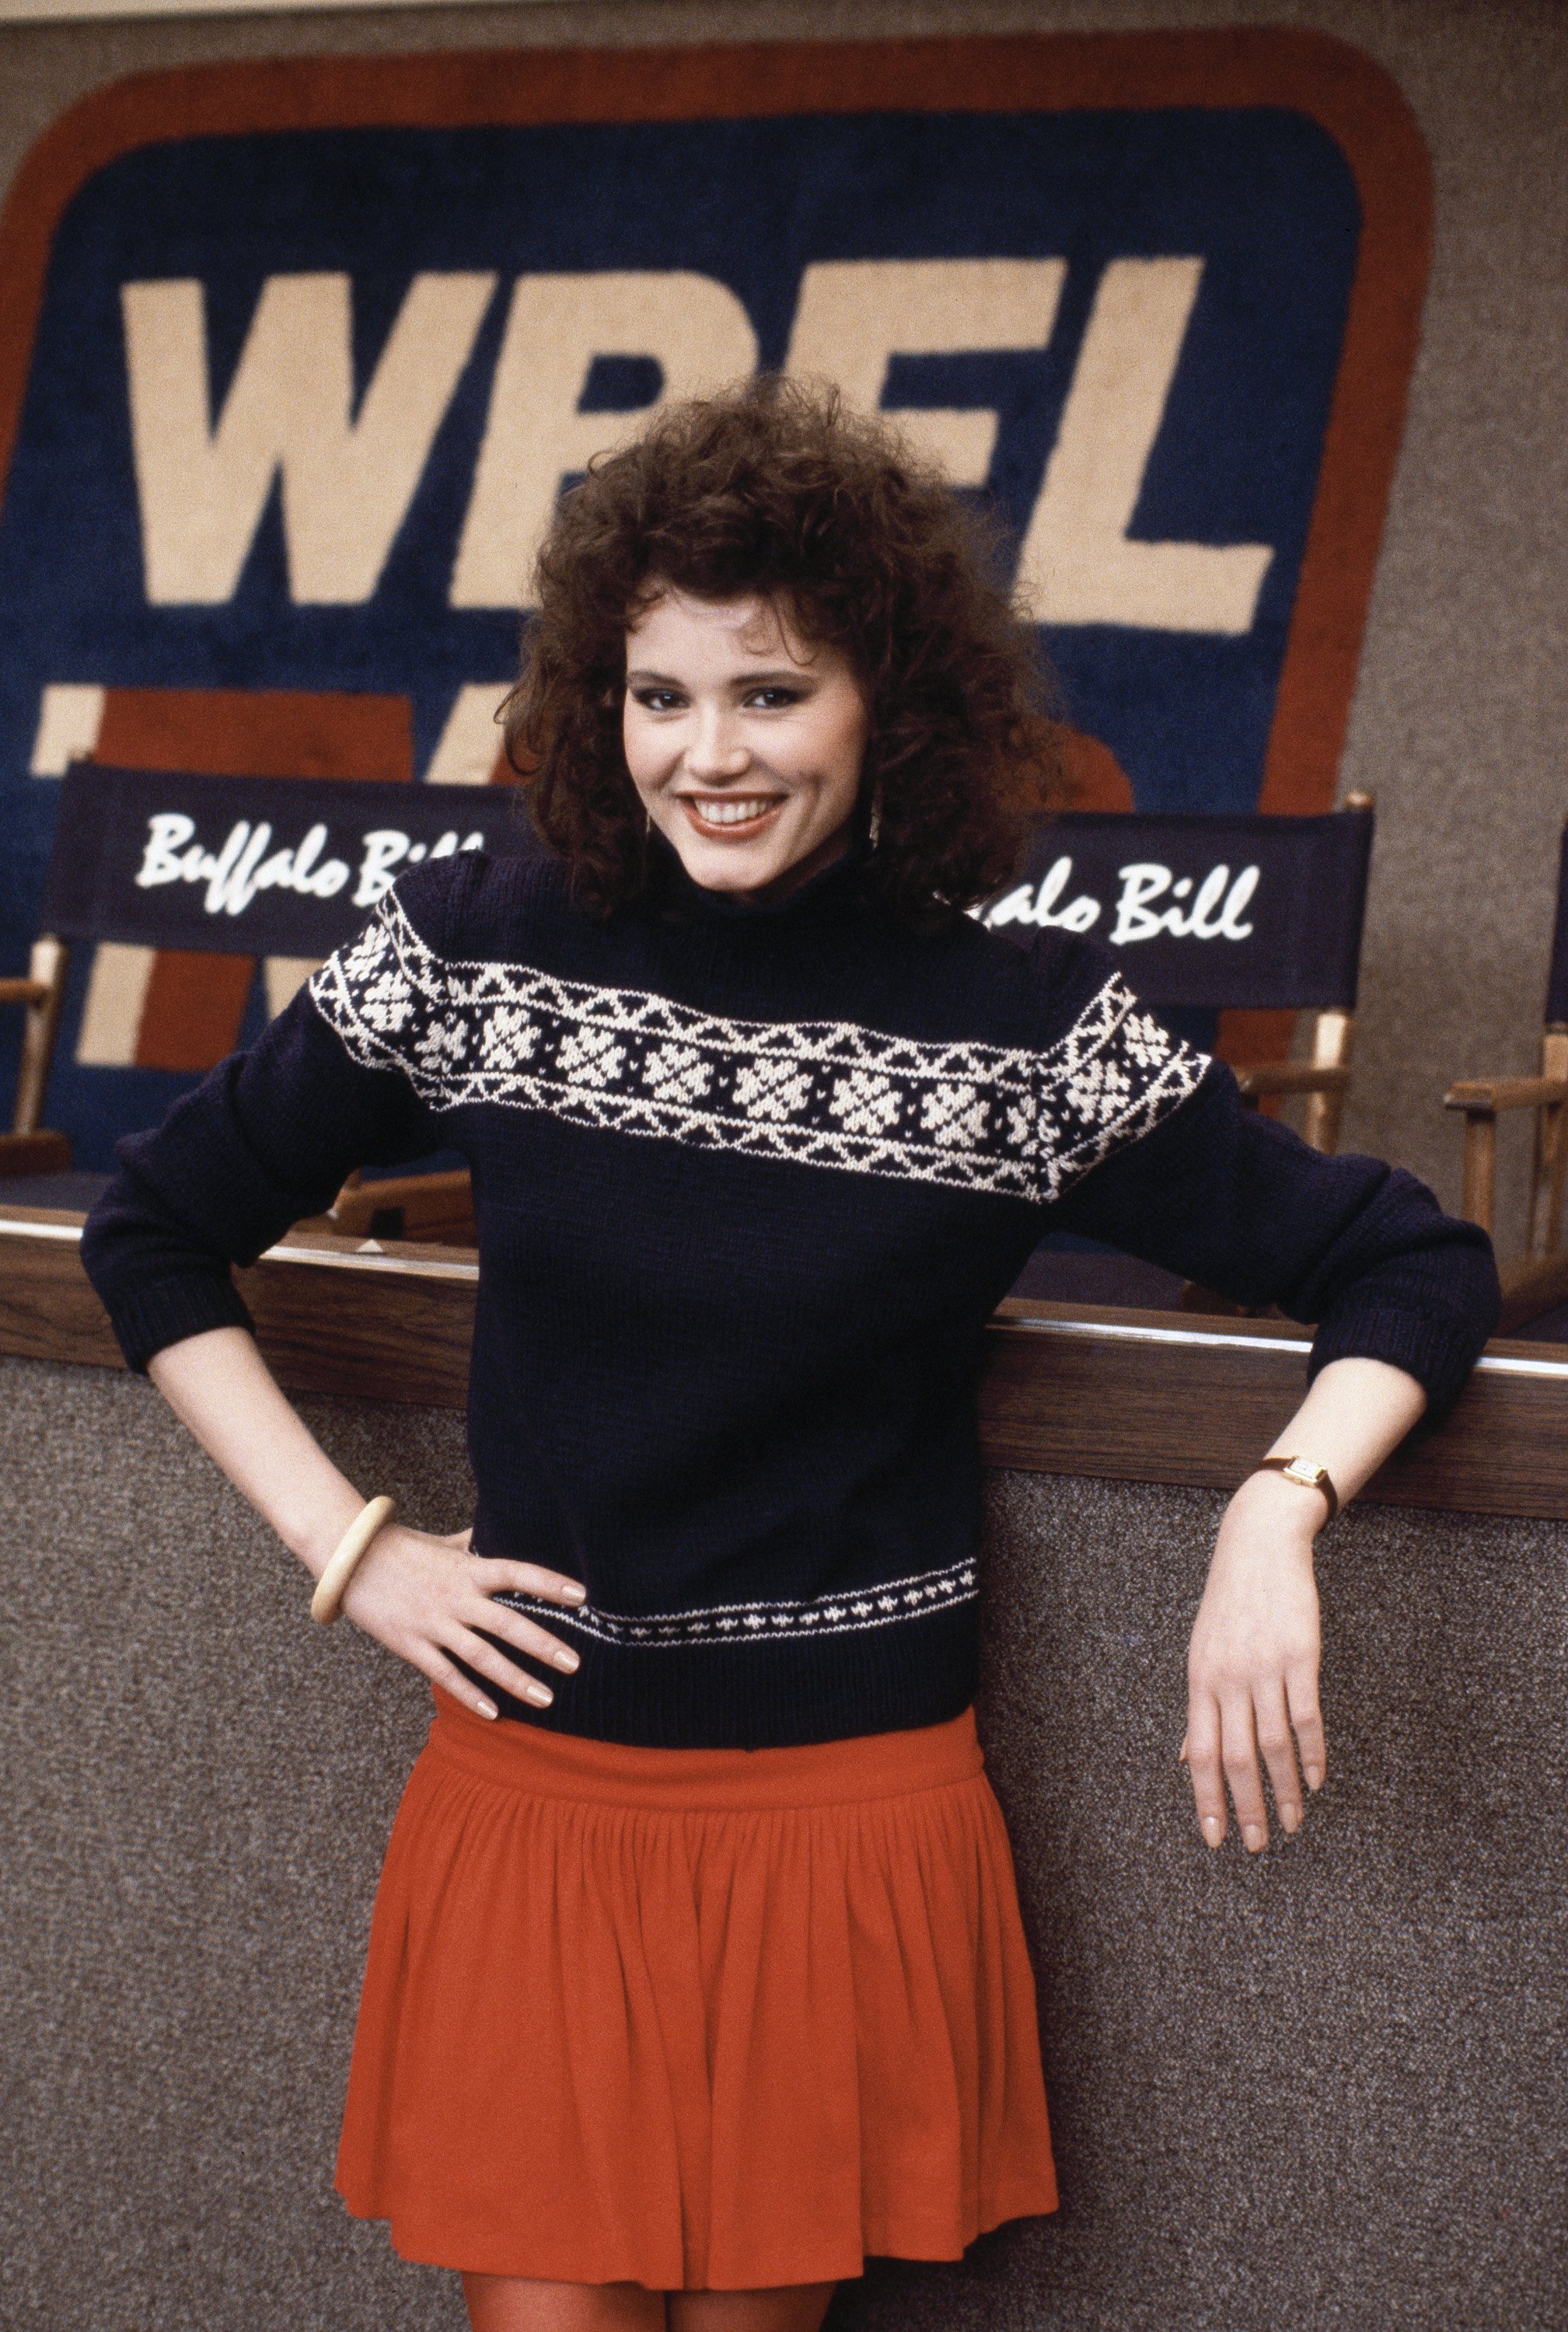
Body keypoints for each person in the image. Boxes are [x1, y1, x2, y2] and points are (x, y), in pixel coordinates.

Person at [81, 380, 1500, 2332]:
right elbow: (149, 1226)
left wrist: (1277, 1514)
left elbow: (1410, 1263)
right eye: (661, 697)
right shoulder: (481, 941)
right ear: (602, 706)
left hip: (843, 1819)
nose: (707, 756)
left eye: (770, 694)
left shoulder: (1024, 1024)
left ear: (886, 709)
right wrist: (355, 1551)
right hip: (539, 1800)